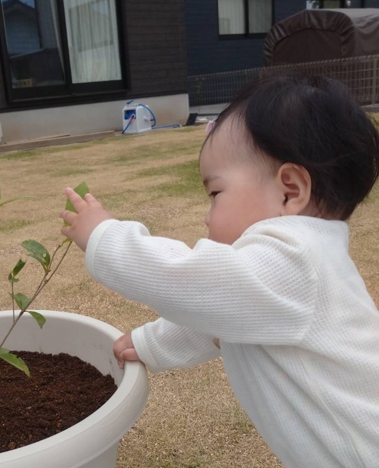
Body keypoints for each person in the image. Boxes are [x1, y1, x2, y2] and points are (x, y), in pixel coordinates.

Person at [60, 75, 379, 468]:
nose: (207, 216)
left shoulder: (296, 260)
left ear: (290, 190)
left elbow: (195, 283)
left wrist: (105, 236)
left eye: (215, 194)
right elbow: (220, 318)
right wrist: (151, 344)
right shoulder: (286, 271)